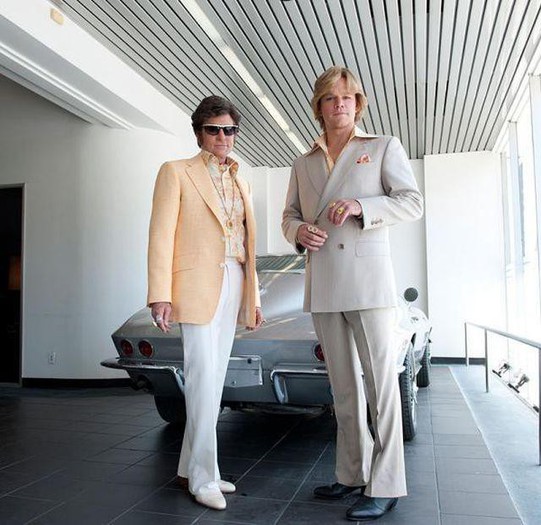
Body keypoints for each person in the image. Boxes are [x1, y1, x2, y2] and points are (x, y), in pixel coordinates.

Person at [282, 66, 423, 521]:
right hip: (324, 283)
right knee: (343, 388)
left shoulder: (381, 147)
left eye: (348, 97)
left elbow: (412, 202)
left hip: (368, 283)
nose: (340, 103)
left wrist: (363, 205)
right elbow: (289, 215)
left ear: (357, 104)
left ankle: (386, 484)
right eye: (330, 97)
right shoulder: (302, 162)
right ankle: (351, 474)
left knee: (381, 386)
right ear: (319, 106)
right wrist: (298, 232)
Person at [147, 95, 264, 511]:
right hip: (195, 285)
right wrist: (160, 294)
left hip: (234, 280)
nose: (222, 137)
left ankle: (194, 469)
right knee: (200, 378)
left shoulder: (243, 181)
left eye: (230, 130)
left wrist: (252, 296)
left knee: (214, 381)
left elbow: (248, 245)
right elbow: (161, 235)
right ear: (199, 133)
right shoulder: (176, 171)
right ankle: (202, 479)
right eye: (214, 129)